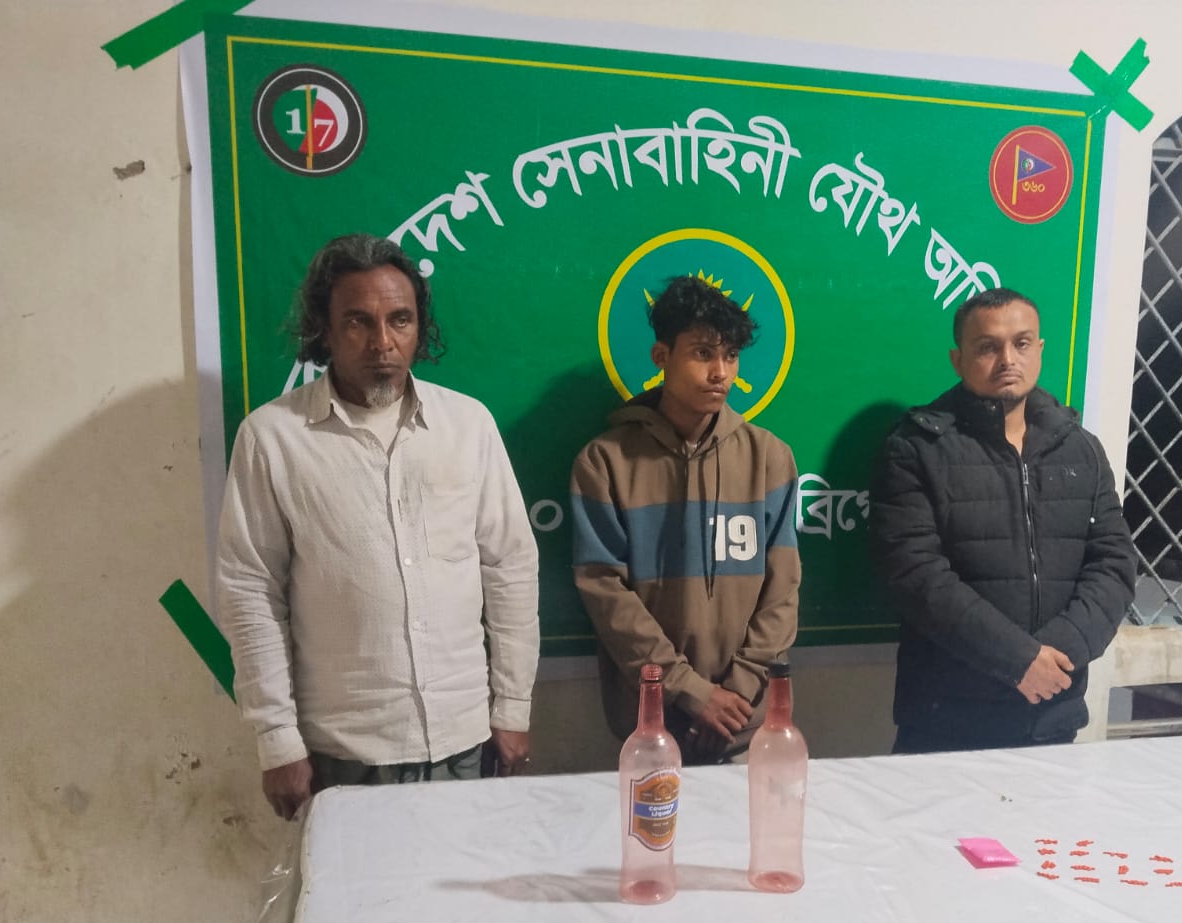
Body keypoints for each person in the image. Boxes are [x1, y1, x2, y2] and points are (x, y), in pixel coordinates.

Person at [216, 233, 540, 820]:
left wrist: (512, 709)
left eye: (400, 320)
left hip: (466, 739)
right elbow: (250, 592)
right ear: (324, 329)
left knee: (466, 882)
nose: (382, 343)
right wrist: (277, 740)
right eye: (358, 322)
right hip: (343, 752)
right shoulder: (272, 438)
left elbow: (510, 568)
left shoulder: (468, 426)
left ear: (420, 327)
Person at [870, 287, 1136, 752]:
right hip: (945, 724)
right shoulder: (916, 449)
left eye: (1022, 343)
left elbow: (1113, 565)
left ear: (1040, 350)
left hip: (1052, 715)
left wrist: (1055, 656)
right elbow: (916, 576)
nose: (1008, 359)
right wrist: (1018, 661)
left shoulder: (1080, 448)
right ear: (958, 360)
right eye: (988, 347)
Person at [570, 274, 800, 764]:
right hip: (652, 727)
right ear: (662, 356)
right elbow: (606, 592)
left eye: (731, 356)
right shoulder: (605, 462)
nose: (720, 372)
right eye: (702, 353)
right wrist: (690, 691)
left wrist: (735, 693)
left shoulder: (770, 458)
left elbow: (782, 592)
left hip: (746, 721)